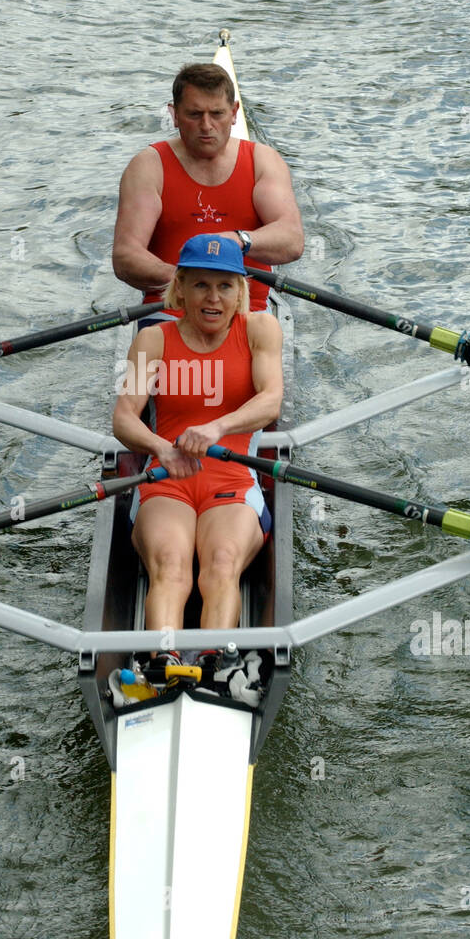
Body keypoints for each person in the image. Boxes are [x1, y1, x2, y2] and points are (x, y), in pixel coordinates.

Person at [112, 233, 283, 661]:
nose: (214, 298)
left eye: (225, 286)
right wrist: (160, 448)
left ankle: (215, 662)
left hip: (232, 477)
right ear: (180, 289)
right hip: (166, 479)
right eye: (201, 285)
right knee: (171, 566)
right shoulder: (153, 341)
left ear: (241, 291)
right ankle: (162, 664)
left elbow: (270, 400)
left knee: (221, 564)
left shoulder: (260, 329)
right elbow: (124, 417)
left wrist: (216, 427)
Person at [112, 61, 303, 315]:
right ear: (174, 115)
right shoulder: (148, 167)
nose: (206, 126)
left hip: (248, 312)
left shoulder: (263, 162)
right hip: (172, 310)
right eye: (194, 114)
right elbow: (126, 256)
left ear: (234, 113)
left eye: (217, 114)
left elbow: (292, 240)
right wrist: (187, 282)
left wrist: (238, 240)